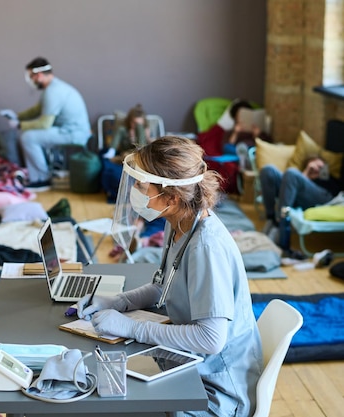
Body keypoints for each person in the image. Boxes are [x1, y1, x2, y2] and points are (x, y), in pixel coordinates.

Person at [77, 136, 262, 417]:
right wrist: (117, 302)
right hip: (192, 367)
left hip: (213, 394)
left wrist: (129, 327)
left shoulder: (205, 247)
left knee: (105, 402)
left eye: (141, 186)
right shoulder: (179, 222)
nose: (134, 192)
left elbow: (211, 339)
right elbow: (164, 286)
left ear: (172, 197)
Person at [1, 57, 91, 191]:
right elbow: (37, 110)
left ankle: (42, 179)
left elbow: (44, 124)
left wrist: (20, 125)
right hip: (67, 130)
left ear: (39, 75)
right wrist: (18, 116)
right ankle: (38, 176)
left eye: (31, 76)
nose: (32, 81)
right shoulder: (52, 88)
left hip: (74, 134)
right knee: (29, 135)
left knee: (28, 137)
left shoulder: (53, 92)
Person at [259, 155, 342, 256]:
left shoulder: (327, 179)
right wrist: (306, 173)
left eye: (321, 167)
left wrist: (319, 176)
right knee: (268, 170)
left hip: (322, 196)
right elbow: (294, 179)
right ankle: (271, 218)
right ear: (310, 162)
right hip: (295, 192)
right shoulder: (297, 176)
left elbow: (335, 191)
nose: (317, 169)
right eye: (316, 165)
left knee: (291, 172)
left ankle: (281, 225)